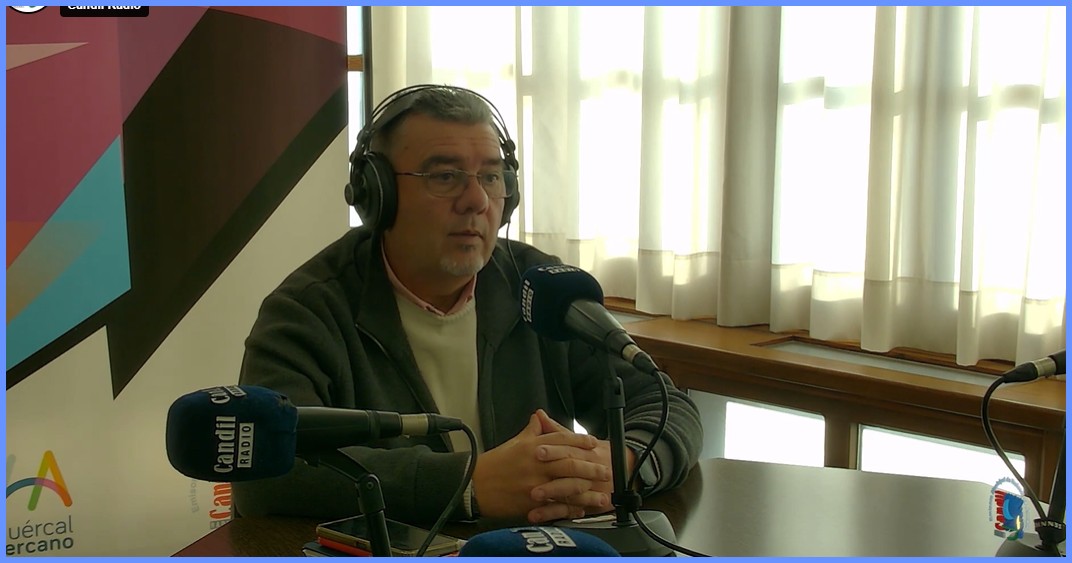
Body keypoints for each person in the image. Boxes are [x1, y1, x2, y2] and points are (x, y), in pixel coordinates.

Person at [232, 84, 703, 527]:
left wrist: (621, 462)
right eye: (445, 177)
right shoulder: (308, 310)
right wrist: (466, 484)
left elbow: (663, 405)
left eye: (491, 177)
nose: (477, 200)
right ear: (378, 193)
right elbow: (265, 471)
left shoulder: (540, 288)